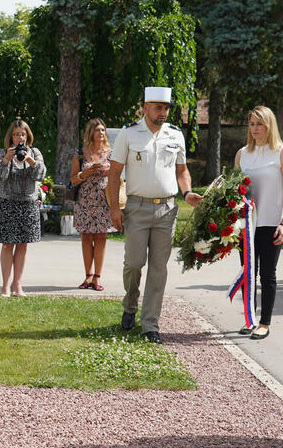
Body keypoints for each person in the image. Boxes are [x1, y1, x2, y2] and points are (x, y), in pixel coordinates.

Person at [108, 87, 202, 343]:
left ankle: (150, 324)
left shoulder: (175, 135)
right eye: (158, 107)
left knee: (159, 269)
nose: (163, 113)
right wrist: (115, 208)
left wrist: (188, 191)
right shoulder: (129, 134)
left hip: (167, 210)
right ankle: (130, 304)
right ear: (145, 107)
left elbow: (182, 171)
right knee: (134, 263)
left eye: (167, 108)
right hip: (137, 208)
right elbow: (114, 174)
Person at [234, 106, 283, 339]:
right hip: (246, 225)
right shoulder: (242, 154)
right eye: (251, 124)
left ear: (269, 126)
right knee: (248, 273)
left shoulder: (282, 153)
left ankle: (265, 322)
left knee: (267, 274)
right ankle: (249, 318)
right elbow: (235, 190)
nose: (255, 129)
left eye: (259, 124)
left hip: (271, 223)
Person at [0, 119, 46, 297]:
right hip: (8, 204)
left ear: (27, 136)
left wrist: (29, 159)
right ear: (11, 137)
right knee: (8, 245)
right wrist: (7, 159)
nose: (20, 137)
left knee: (22, 245)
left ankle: (18, 285)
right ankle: (5, 286)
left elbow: (40, 175)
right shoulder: (3, 153)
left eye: (23, 134)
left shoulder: (35, 153)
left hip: (28, 204)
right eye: (16, 134)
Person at [71, 118, 114, 291]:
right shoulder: (80, 153)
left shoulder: (112, 153)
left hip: (104, 200)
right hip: (85, 201)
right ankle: (88, 275)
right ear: (91, 133)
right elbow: (73, 179)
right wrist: (85, 173)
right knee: (86, 237)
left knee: (101, 237)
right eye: (97, 130)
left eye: (103, 130)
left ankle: (97, 277)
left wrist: (109, 170)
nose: (101, 133)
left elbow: (119, 175)